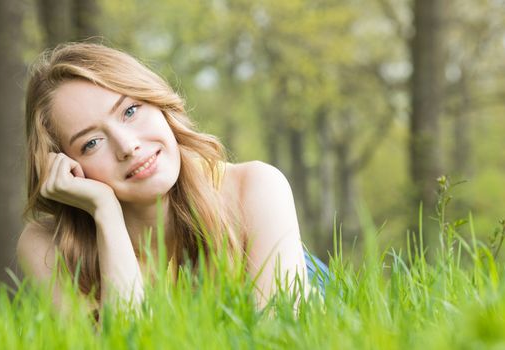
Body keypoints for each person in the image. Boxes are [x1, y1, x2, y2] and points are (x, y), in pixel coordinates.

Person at [17, 42, 328, 313]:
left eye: (130, 111)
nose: (128, 146)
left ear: (158, 103)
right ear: (65, 166)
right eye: (92, 143)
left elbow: (277, 335)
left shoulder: (255, 188)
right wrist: (106, 215)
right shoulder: (47, 245)